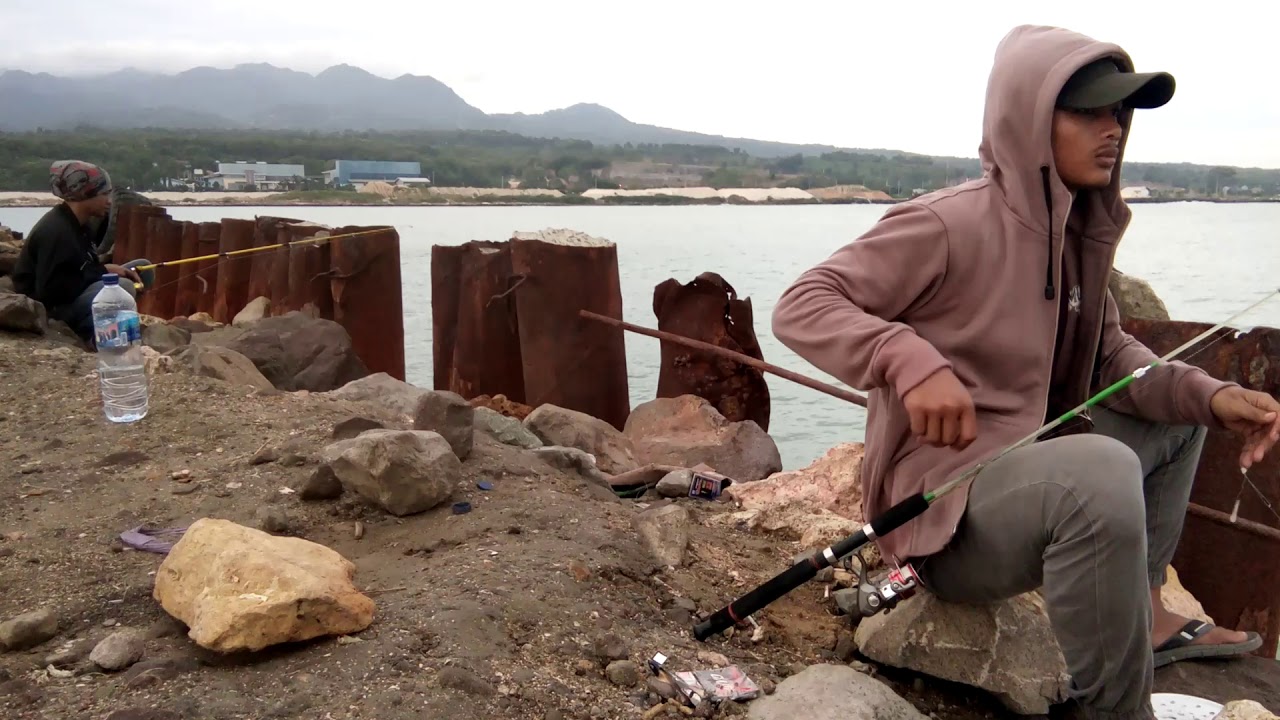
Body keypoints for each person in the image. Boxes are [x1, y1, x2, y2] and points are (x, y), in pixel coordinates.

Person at [771, 24, 1280, 720]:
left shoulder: (1077, 234)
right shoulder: (947, 223)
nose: (1114, 131)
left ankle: (1145, 609)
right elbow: (803, 304)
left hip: (1030, 473)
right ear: (1031, 117)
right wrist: (910, 361)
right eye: (1090, 112)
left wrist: (1214, 396)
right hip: (946, 517)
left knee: (1182, 418)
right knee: (1099, 470)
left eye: (1119, 113)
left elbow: (1114, 359)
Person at [11, 161, 155, 342]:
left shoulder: (80, 224)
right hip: (53, 308)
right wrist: (104, 272)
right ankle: (99, 335)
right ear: (86, 195)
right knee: (123, 287)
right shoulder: (57, 231)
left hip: (74, 291)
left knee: (144, 269)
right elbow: (52, 290)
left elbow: (79, 268)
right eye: (104, 194)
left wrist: (105, 269)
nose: (109, 201)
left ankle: (115, 318)